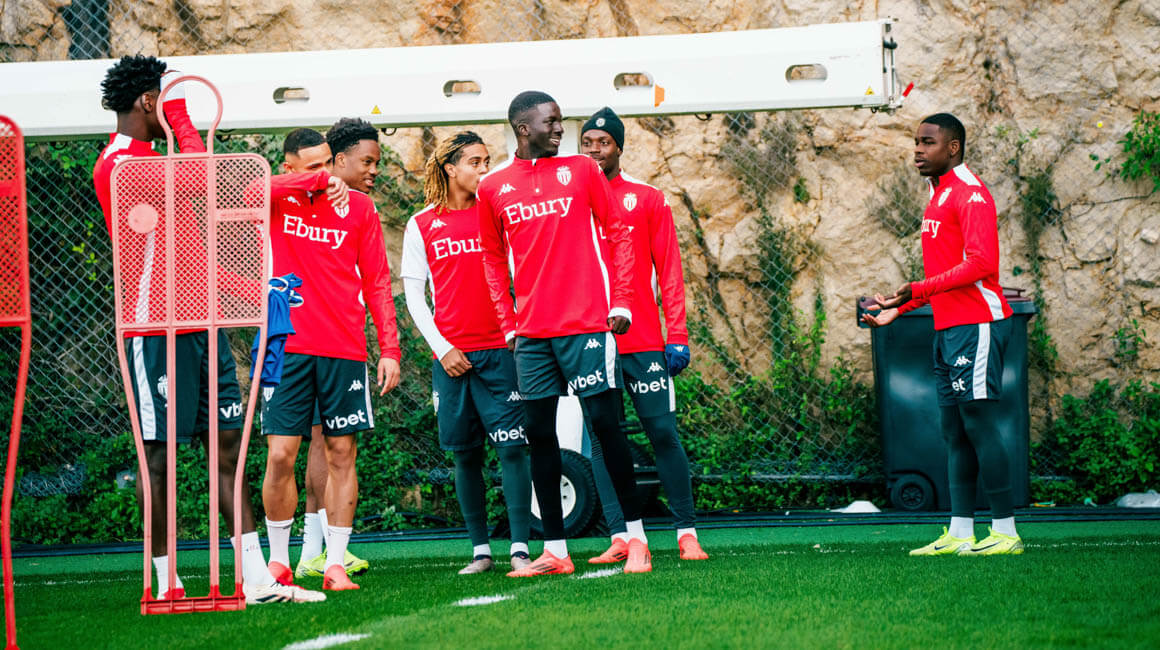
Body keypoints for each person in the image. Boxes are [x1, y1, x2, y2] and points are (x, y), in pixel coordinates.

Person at [92, 55, 323, 604]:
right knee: (159, 458)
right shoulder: (120, 164)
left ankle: (257, 579)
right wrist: (179, 115)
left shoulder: (155, 160)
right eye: (169, 105)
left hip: (203, 323)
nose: (180, 117)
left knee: (227, 447)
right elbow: (204, 177)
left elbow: (192, 259)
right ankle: (165, 580)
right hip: (156, 329)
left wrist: (257, 292)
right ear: (149, 102)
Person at [478, 90, 650, 576]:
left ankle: (635, 539)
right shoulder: (494, 187)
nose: (559, 129)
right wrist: (508, 323)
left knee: (607, 428)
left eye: (560, 121)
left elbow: (618, 233)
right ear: (523, 128)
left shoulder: (582, 171)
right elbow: (492, 259)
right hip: (532, 334)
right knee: (539, 436)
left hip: (587, 325)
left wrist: (622, 300)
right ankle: (555, 550)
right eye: (550, 121)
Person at [862, 112, 1023, 556]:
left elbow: (982, 264)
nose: (918, 149)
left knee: (979, 426)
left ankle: (1005, 532)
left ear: (952, 148)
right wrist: (900, 309)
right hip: (948, 327)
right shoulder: (938, 193)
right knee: (954, 431)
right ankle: (960, 533)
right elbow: (943, 275)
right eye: (916, 141)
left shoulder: (970, 193)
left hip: (978, 325)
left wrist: (916, 290)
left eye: (928, 142)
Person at [260, 124, 402, 591]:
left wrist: (389, 349)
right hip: (286, 345)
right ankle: (278, 562)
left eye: (328, 163)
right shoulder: (277, 197)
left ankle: (335, 563)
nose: (326, 173)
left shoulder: (359, 207)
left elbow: (377, 282)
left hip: (343, 347)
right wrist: (316, 180)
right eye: (314, 166)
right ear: (290, 167)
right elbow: (244, 189)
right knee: (281, 454)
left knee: (342, 453)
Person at [401, 131, 533, 574]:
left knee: (513, 450)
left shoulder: (498, 214)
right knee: (465, 455)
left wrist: (518, 332)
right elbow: (415, 297)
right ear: (450, 168)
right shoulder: (421, 224)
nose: (483, 170)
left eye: (487, 161)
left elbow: (521, 275)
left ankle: (520, 549)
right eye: (475, 162)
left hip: (502, 351)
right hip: (453, 359)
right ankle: (480, 552)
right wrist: (442, 349)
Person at [580, 107, 708, 562]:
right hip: (591, 343)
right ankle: (621, 537)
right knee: (602, 439)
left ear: (619, 147)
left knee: (662, 432)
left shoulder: (647, 198)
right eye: (587, 143)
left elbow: (669, 270)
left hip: (644, 341)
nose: (595, 150)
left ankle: (686, 533)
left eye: (603, 143)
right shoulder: (571, 201)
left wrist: (678, 334)